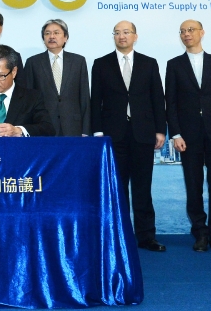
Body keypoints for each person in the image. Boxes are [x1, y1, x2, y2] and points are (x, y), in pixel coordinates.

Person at [90, 21, 167, 252]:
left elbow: (157, 98)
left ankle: (146, 237)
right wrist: (98, 132)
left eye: (126, 32)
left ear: (135, 36)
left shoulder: (149, 63)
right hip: (114, 136)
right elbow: (96, 102)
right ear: (113, 36)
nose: (121, 36)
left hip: (143, 134)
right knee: (118, 189)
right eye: (117, 33)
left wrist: (160, 130)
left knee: (143, 189)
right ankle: (118, 237)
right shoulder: (101, 64)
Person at [165, 20, 211, 253]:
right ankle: (200, 234)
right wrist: (175, 134)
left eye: (191, 30)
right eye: (182, 31)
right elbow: (171, 104)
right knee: (193, 186)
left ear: (202, 33)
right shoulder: (174, 65)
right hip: (188, 137)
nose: (186, 34)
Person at [23, 19, 90, 136]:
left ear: (66, 37)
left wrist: (86, 131)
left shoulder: (78, 61)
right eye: (47, 33)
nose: (51, 36)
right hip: (43, 125)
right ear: (43, 38)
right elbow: (28, 98)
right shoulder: (33, 62)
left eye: (56, 33)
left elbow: (84, 97)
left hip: (73, 127)